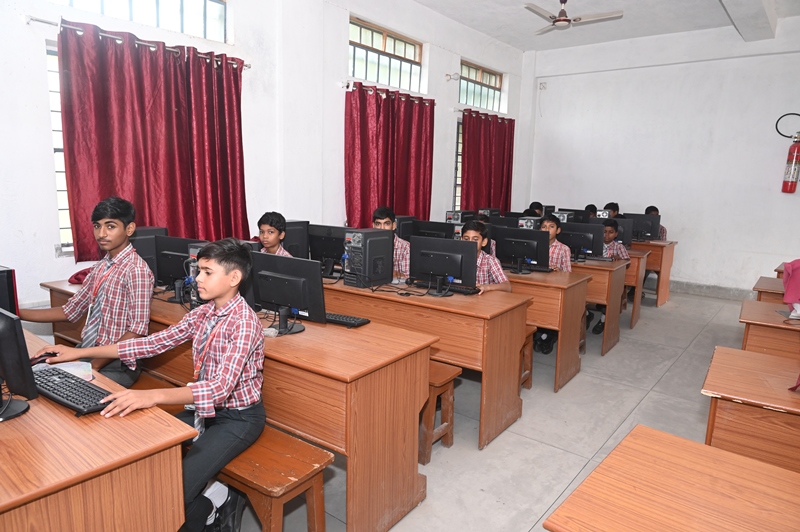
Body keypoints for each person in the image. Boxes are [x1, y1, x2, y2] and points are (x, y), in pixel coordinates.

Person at [35, 238, 265, 532]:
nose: (197, 278)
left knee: (174, 493)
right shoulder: (204, 312)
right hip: (204, 410)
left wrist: (151, 396)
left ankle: (211, 512)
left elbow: (219, 389)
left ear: (234, 278)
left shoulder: (244, 323)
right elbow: (151, 344)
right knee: (139, 453)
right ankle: (209, 496)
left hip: (238, 418)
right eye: (199, 270)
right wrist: (78, 353)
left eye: (207, 272)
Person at [18, 196, 153, 387]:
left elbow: (136, 331)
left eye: (110, 226)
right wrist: (15, 312)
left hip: (116, 363)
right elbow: (69, 311)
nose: (101, 233)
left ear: (129, 229)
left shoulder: (136, 270)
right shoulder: (101, 267)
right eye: (97, 226)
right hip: (88, 352)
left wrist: (92, 367)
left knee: (65, 391)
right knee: (34, 377)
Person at [536, 215, 571, 353]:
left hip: (553, 287)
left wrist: (559, 271)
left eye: (551, 227)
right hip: (537, 283)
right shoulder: (534, 244)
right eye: (543, 227)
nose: (547, 230)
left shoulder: (563, 249)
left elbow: (568, 274)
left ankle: (548, 334)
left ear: (558, 230)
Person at [589, 219, 630, 334]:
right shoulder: (593, 244)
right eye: (604, 232)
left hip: (611, 280)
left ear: (616, 234)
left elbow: (627, 263)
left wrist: (620, 260)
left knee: (608, 295)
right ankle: (587, 314)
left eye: (610, 232)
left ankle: (603, 320)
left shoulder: (619, 247)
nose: (607, 235)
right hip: (595, 277)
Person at [460, 220, 511, 294]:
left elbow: (507, 286)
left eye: (475, 239)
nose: (470, 243)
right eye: (466, 239)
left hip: (483, 299)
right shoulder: (456, 258)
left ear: (484, 242)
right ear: (461, 239)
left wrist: (486, 287)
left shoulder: (490, 261)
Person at [372, 206, 410, 278]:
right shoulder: (368, 246)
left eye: (386, 224)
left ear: (394, 226)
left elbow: (408, 277)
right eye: (378, 224)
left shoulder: (405, 247)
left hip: (395, 285)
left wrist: (386, 273)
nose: (382, 228)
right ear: (373, 226)